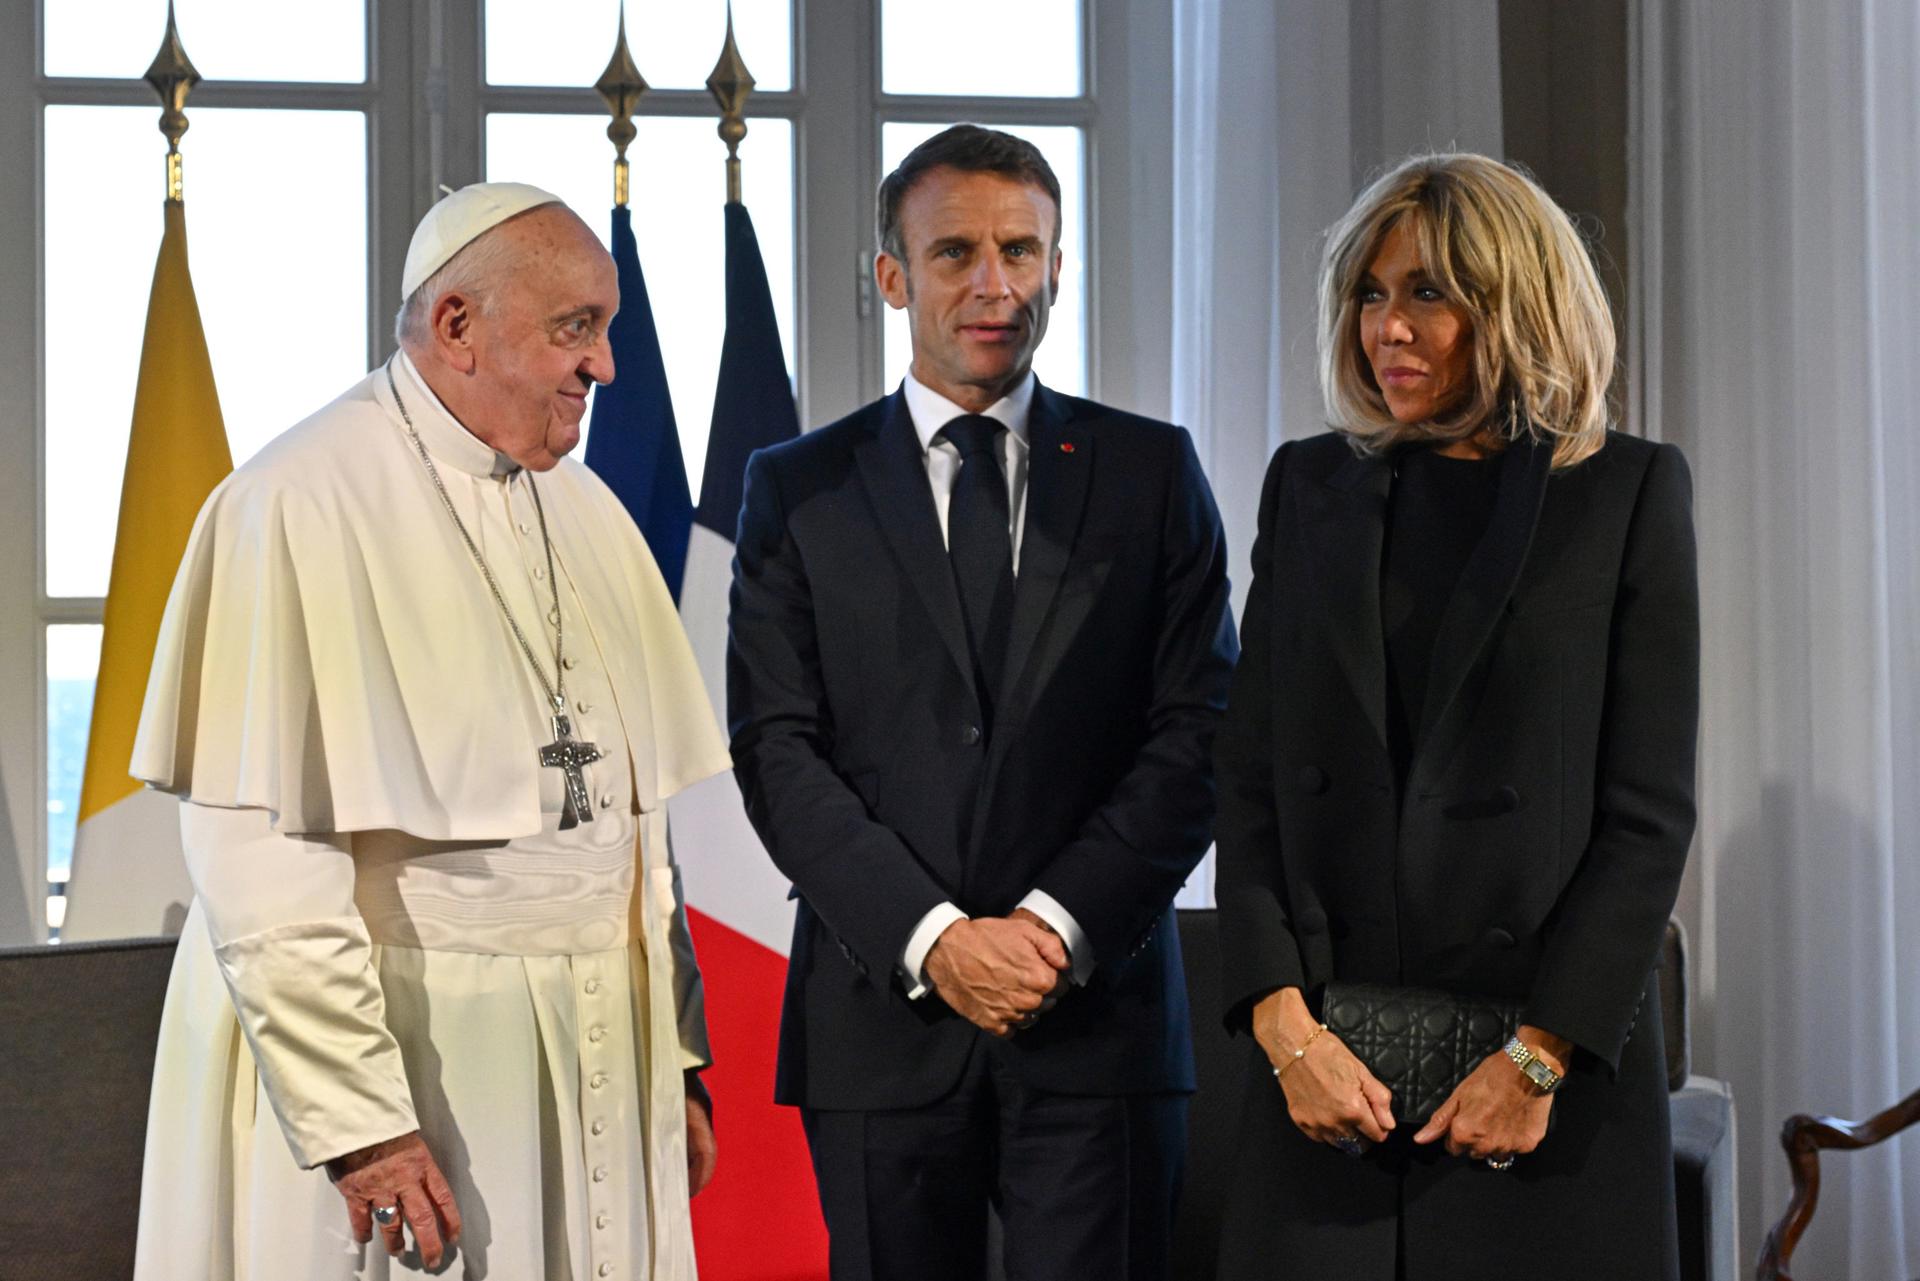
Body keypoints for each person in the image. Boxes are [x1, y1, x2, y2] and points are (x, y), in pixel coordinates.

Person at [128, 183, 731, 1280]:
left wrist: (672, 1058)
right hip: (415, 1052)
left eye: (607, 330)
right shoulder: (297, 503)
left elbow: (637, 830)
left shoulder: (586, 510)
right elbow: (259, 857)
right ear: (457, 326)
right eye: (574, 329)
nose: (604, 367)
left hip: (599, 1053)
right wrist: (360, 1123)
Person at [726, 124, 1237, 1281]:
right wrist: (936, 941)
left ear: (1057, 267)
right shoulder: (796, 489)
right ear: (894, 277)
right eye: (956, 252)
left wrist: (1050, 931)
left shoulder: (1151, 475)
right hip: (880, 1024)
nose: (994, 283)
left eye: (1022, 249)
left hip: (1096, 1025)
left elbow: (1198, 735)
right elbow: (778, 753)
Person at [1212, 152, 1699, 1279]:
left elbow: (1647, 817)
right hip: (1330, 1090)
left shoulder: (1626, 494)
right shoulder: (1307, 486)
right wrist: (1286, 1035)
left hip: (1544, 1101)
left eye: (1428, 293)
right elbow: (1248, 785)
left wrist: (1537, 1064)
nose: (1390, 327)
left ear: (1516, 305)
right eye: (1371, 295)